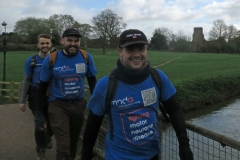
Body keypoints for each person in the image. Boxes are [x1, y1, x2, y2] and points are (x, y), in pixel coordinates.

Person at [81, 29, 194, 160]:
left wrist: (183, 143)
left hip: (152, 156)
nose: (137, 54)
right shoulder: (105, 85)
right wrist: (85, 156)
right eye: (130, 49)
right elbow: (92, 126)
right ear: (120, 51)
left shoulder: (158, 78)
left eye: (141, 49)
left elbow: (174, 109)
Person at [35, 28, 97, 160]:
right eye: (69, 40)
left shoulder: (86, 57)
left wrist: (98, 104)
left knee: (73, 143)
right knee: (63, 145)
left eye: (76, 40)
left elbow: (92, 82)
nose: (73, 43)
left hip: (78, 105)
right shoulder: (52, 58)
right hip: (58, 106)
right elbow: (42, 86)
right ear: (62, 40)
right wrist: (39, 112)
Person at [19, 34, 54, 160]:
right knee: (39, 122)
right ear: (38, 45)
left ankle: (48, 135)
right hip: (36, 95)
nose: (45, 46)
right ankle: (41, 149)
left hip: (52, 95)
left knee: (53, 121)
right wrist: (22, 100)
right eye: (42, 43)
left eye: (47, 43)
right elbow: (27, 80)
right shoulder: (31, 60)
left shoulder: (56, 59)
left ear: (51, 44)